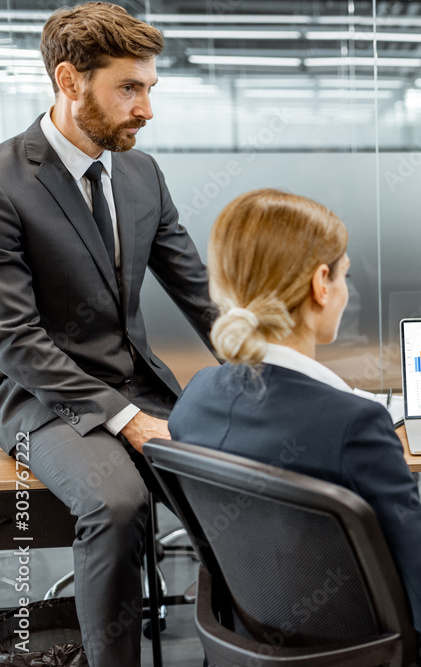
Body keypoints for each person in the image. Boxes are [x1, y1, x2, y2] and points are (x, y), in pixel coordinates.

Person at [168, 189, 421, 665]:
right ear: (321, 284)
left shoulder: (196, 401)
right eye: (346, 274)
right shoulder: (356, 425)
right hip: (377, 651)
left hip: (261, 637)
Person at [0, 4, 216, 665]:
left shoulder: (142, 174)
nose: (146, 108)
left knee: (244, 482)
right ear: (70, 81)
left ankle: (240, 645)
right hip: (42, 396)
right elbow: (16, 338)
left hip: (138, 382)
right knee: (117, 504)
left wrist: (280, 365)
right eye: (129, 88)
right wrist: (126, 419)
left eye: (149, 88)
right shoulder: (7, 181)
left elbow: (200, 294)